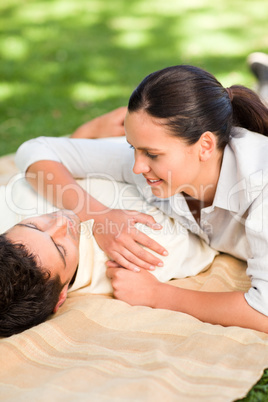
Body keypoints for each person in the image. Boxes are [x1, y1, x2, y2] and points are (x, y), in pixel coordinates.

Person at [15, 64, 268, 332]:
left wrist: (157, 295)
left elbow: (263, 312)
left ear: (205, 146)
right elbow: (36, 150)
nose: (137, 167)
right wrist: (97, 215)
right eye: (132, 147)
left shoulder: (260, 186)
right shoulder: (157, 164)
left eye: (152, 154)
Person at [0, 189, 217, 337]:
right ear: (62, 295)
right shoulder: (140, 252)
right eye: (61, 248)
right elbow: (209, 234)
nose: (60, 222)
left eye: (34, 226)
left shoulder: (8, 207)